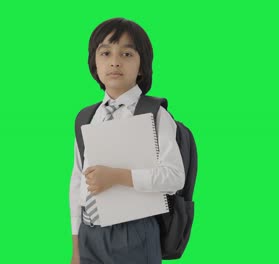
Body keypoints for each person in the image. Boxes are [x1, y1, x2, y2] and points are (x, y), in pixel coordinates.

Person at [69, 17, 185, 264]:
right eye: (106, 53)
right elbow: (78, 179)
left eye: (127, 54)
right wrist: (76, 244)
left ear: (142, 66)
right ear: (94, 63)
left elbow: (174, 177)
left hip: (135, 233)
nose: (114, 61)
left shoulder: (154, 114)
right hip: (90, 233)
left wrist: (116, 177)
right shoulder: (86, 117)